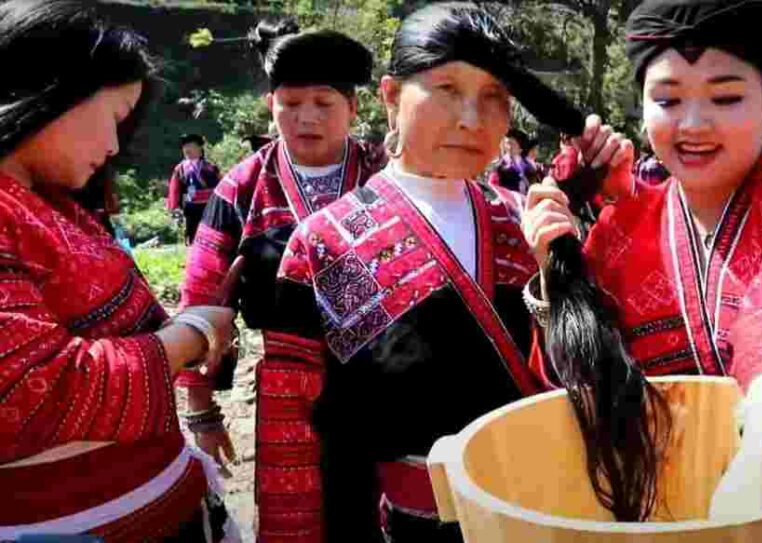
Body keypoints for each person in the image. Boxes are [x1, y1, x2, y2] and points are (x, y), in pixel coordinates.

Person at [268, 3, 626, 540]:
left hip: (539, 516)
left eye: (494, 98)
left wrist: (606, 210)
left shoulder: (523, 219)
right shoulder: (324, 245)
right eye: (447, 90)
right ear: (391, 97)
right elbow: (293, 432)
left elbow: (592, 378)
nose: (471, 119)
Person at [523, 0, 762, 520]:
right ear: (639, 108)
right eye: (667, 100)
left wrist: (760, 455)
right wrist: (556, 266)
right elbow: (571, 390)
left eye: (727, 97)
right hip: (651, 510)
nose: (693, 124)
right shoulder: (619, 228)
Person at [0, 1, 238, 539]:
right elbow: (28, 391)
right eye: (114, 117)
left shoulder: (55, 206)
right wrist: (193, 334)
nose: (113, 146)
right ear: (51, 90)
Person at [175, 18, 386, 535]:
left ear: (353, 108)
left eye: (324, 103)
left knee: (383, 516)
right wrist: (202, 408)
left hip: (385, 379)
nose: (306, 117)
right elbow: (202, 296)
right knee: (298, 526)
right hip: (289, 388)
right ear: (271, 105)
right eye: (290, 103)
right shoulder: (244, 186)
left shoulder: (386, 172)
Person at [167, 133, 222, 244]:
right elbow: (174, 189)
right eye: (185, 147)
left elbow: (222, 185)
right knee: (192, 235)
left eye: (190, 146)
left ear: (199, 148)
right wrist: (174, 208)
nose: (187, 149)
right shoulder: (180, 169)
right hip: (190, 207)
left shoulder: (210, 167)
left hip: (209, 206)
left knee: (209, 232)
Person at [488, 128, 540, 193]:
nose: (509, 147)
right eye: (507, 143)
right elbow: (492, 188)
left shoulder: (529, 167)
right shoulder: (499, 168)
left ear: (520, 148)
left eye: (513, 144)